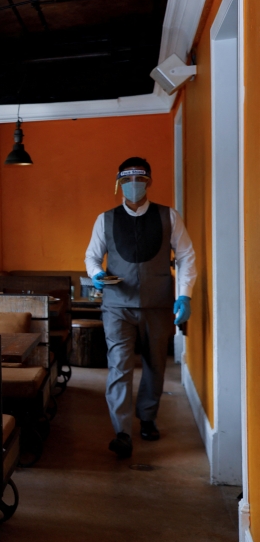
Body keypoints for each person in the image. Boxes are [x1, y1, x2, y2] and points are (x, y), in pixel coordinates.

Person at [84, 157, 197, 459]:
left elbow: (186, 255)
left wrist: (184, 295)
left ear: (149, 182)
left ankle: (147, 417)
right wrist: (96, 274)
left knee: (155, 363)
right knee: (119, 365)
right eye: (127, 180)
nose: (133, 185)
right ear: (119, 184)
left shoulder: (168, 216)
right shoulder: (105, 219)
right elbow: (92, 256)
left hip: (157, 304)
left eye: (140, 180)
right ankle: (122, 432)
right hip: (117, 305)